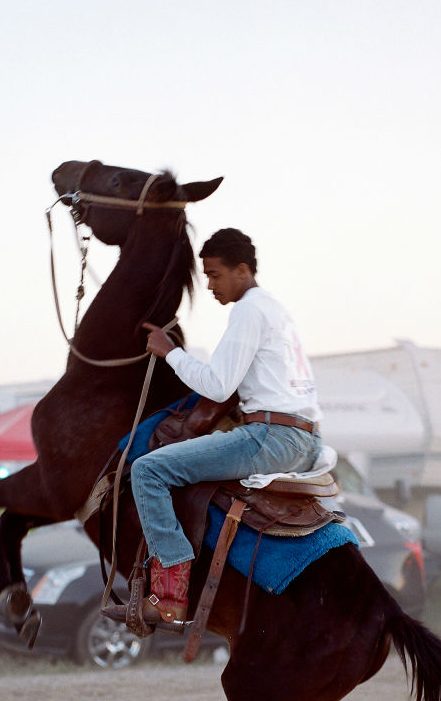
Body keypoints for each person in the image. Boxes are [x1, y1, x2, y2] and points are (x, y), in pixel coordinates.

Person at [128, 227, 322, 626]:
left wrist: (171, 353)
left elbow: (218, 384)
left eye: (215, 275)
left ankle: (169, 595)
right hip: (305, 438)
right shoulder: (277, 311)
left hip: (271, 437)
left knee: (148, 469)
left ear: (242, 270)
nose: (210, 285)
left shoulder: (248, 310)